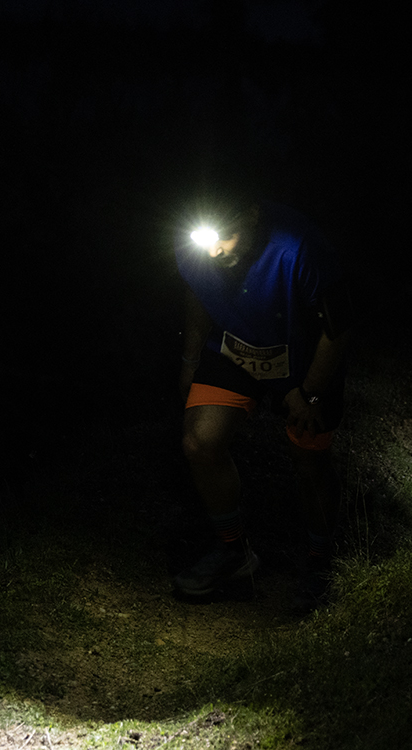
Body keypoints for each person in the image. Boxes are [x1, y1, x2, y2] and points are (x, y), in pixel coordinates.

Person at [173, 180, 351, 610]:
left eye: (225, 237)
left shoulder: (300, 245)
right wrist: (191, 360)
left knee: (309, 460)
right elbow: (198, 293)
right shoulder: (193, 247)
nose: (214, 251)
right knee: (200, 440)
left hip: (303, 357)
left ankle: (321, 560)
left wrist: (309, 393)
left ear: (251, 215)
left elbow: (338, 329)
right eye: (206, 240)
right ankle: (233, 550)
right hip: (236, 347)